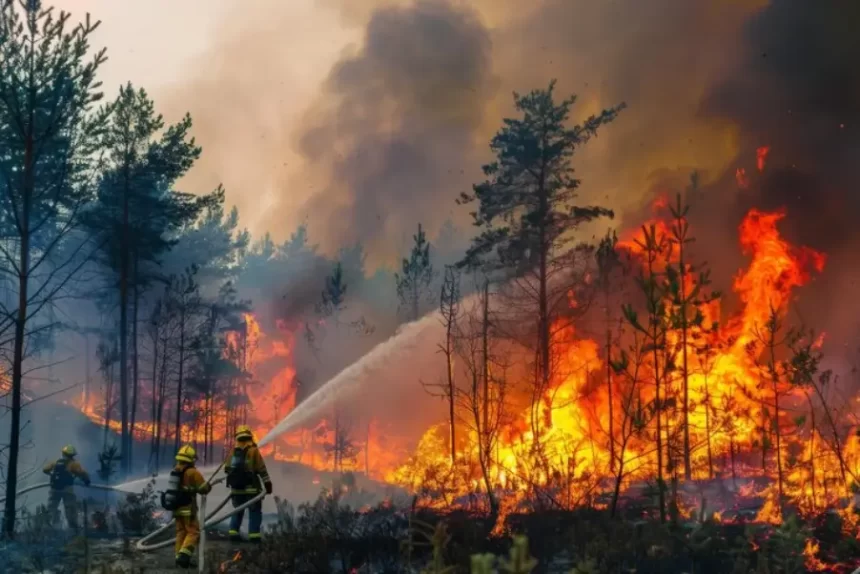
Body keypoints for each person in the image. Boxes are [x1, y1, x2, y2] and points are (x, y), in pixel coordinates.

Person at [165, 445, 212, 569]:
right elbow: (203, 489)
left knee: (181, 532)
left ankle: (178, 558)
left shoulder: (176, 470)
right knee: (193, 532)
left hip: (176, 508)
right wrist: (208, 486)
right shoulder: (193, 472)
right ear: (191, 459)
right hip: (188, 508)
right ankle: (183, 557)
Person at [224, 425, 273, 543]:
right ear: (249, 437)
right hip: (252, 489)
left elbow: (226, 469)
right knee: (255, 511)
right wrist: (267, 483)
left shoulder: (233, 452)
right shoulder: (253, 450)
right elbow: (261, 469)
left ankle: (233, 533)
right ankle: (254, 536)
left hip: (236, 490)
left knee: (238, 510)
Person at [42, 445, 90, 531]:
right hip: (67, 490)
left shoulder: (55, 462)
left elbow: (45, 469)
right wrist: (86, 481)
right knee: (70, 510)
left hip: (54, 490)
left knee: (51, 509)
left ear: (63, 453)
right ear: (72, 455)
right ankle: (73, 529)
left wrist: (52, 474)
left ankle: (48, 527)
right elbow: (82, 473)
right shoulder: (74, 464)